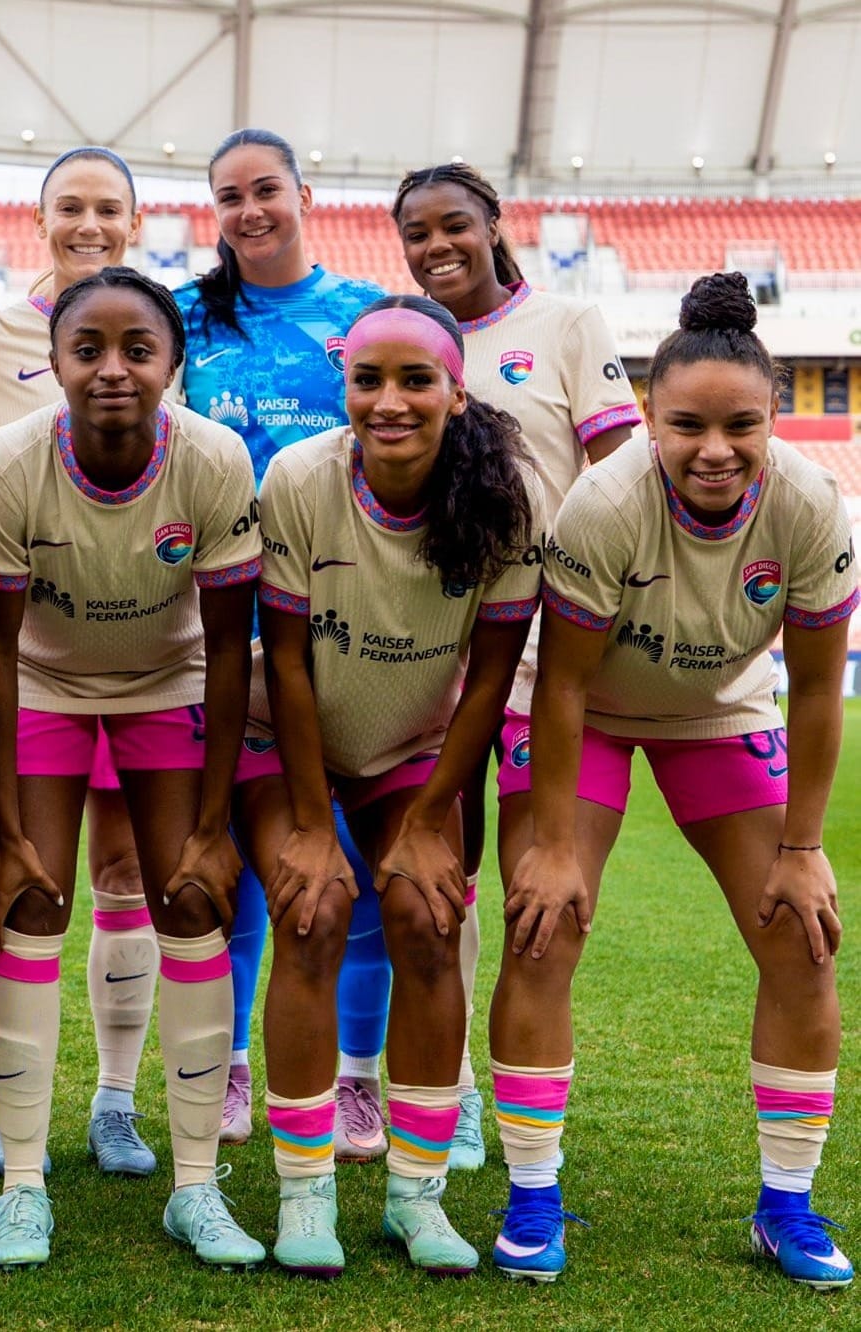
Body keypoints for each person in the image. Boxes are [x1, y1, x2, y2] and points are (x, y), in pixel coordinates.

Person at [488, 272, 857, 1288]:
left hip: (718, 710)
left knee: (803, 937)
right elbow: (565, 685)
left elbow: (816, 692)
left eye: (742, 426)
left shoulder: (811, 505)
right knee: (544, 925)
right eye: (688, 425)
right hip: (587, 712)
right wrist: (552, 846)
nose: (715, 449)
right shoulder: (606, 502)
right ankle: (532, 1196)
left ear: (775, 419)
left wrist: (802, 847)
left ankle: (787, 1207)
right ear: (649, 417)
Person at [0, 267, 264, 1269]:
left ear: (174, 364)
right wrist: (5, 833)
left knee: (193, 901)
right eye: (86, 349)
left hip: (168, 682)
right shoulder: (9, 463)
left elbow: (231, 652)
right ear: (53, 361)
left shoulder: (214, 458)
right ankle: (21, 1186)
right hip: (43, 682)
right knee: (28, 905)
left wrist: (214, 827)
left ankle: (195, 1188)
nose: (112, 370)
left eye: (139, 350)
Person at [249, 294, 541, 1276]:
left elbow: (491, 679)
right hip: (281, 737)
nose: (389, 400)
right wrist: (308, 822)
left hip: (411, 747)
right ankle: (305, 1193)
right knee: (313, 910)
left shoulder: (505, 498)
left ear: (456, 393)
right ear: (344, 385)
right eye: (368, 379)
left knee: (426, 917)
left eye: (416, 380)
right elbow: (288, 661)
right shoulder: (301, 477)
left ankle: (418, 1196)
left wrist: (424, 820)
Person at [392, 162, 642, 1164]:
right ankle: (449, 1091)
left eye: (454, 224)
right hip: (436, 655)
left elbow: (623, 477)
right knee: (439, 875)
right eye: (417, 233)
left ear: (493, 222)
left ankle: (524, 1115)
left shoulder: (567, 325)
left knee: (535, 884)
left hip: (548, 656)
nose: (437, 246)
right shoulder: (410, 338)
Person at [0, 146, 161, 1177]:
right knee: (22, 876)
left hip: (144, 646)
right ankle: (12, 1106)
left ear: (136, 222)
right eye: (69, 206)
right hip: (23, 654)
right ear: (39, 219)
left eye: (108, 208)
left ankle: (116, 1102)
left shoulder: (161, 323)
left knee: (126, 874)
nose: (89, 223)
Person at [172, 128, 387, 1154]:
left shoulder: (364, 317)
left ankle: (356, 1078)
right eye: (230, 196)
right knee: (237, 863)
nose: (250, 210)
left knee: (351, 863)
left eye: (267, 190)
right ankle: (227, 1068)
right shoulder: (184, 317)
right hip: (219, 629)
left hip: (351, 626)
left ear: (306, 195)